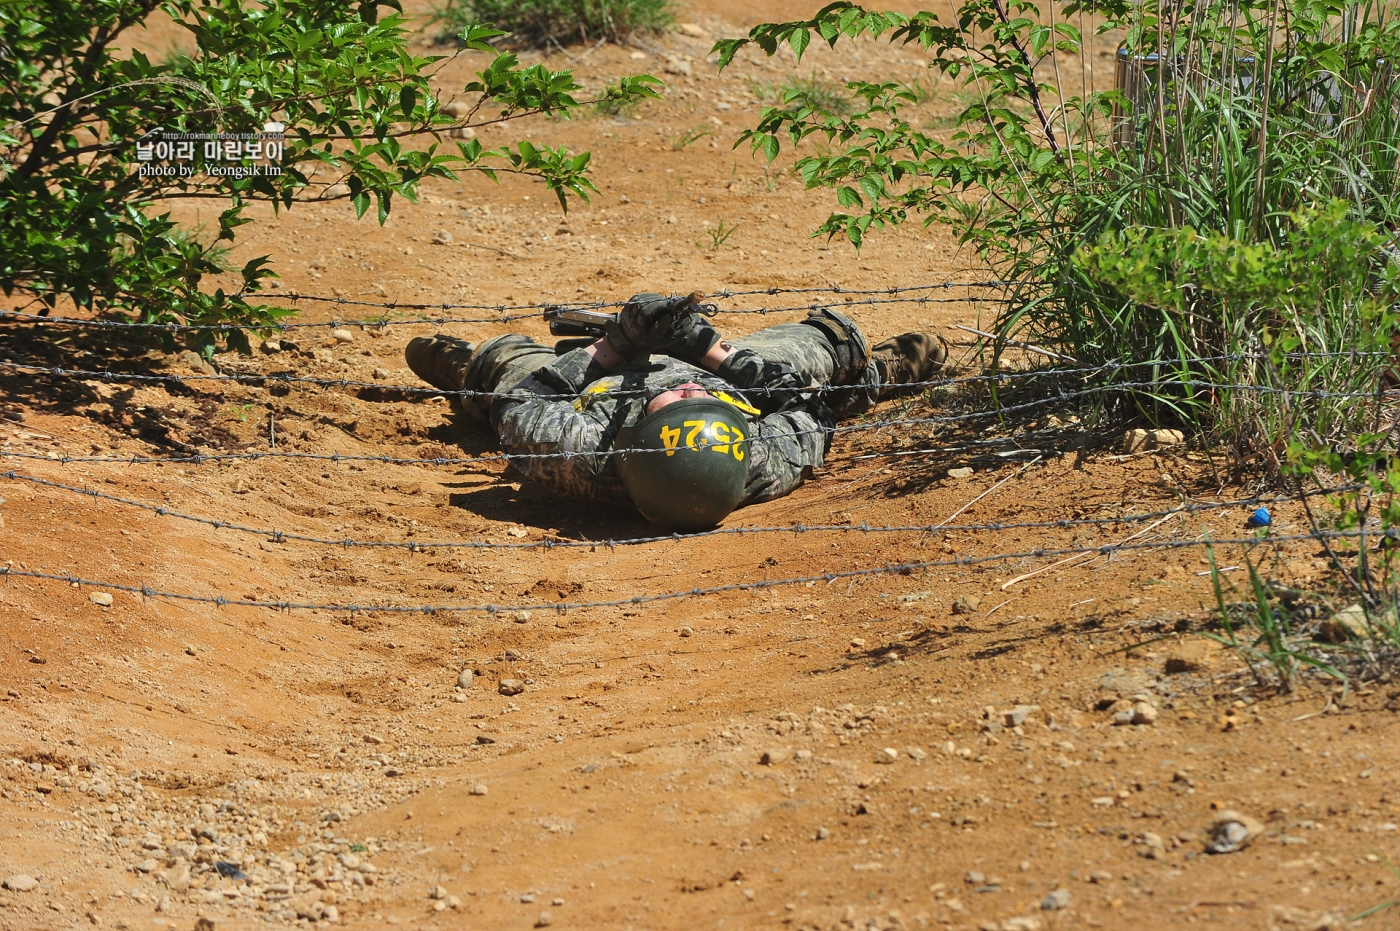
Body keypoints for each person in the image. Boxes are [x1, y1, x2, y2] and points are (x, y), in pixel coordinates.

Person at [405, 293, 947, 530]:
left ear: (637, 434)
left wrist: (616, 344)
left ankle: (466, 370)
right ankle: (879, 374)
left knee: (504, 365)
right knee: (828, 345)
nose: (686, 392)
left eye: (679, 404)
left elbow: (524, 402)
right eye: (697, 403)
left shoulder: (579, 449)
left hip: (595, 382)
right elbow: (806, 406)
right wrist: (706, 349)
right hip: (732, 377)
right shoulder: (761, 459)